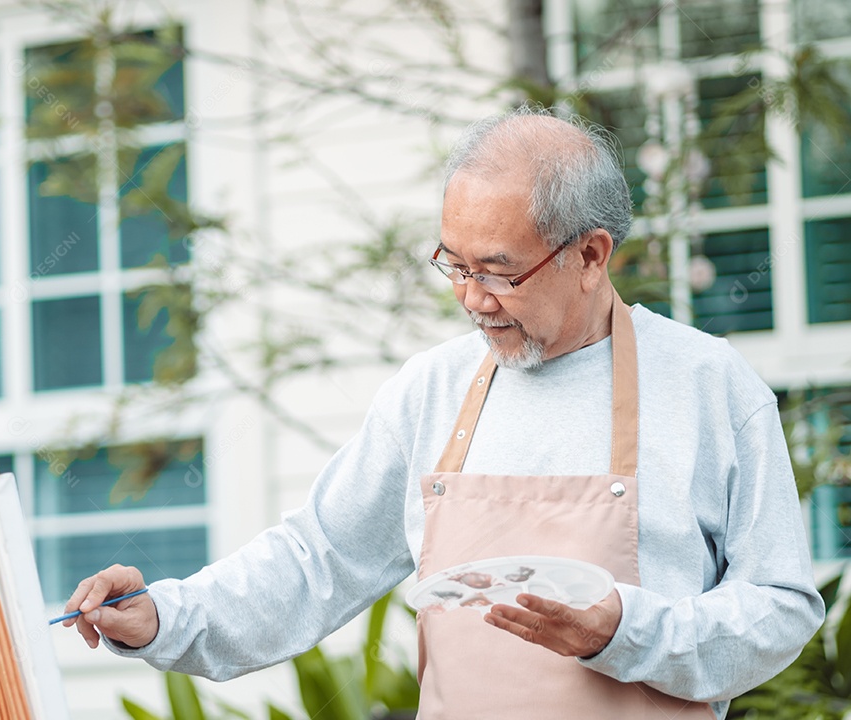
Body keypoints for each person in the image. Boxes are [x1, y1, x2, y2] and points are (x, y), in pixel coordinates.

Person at [60, 107, 824, 719]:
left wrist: (628, 632)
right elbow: (316, 563)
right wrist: (166, 615)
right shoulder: (431, 389)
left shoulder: (707, 384)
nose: (471, 298)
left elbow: (780, 609)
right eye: (454, 265)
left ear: (592, 256)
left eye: (498, 271)